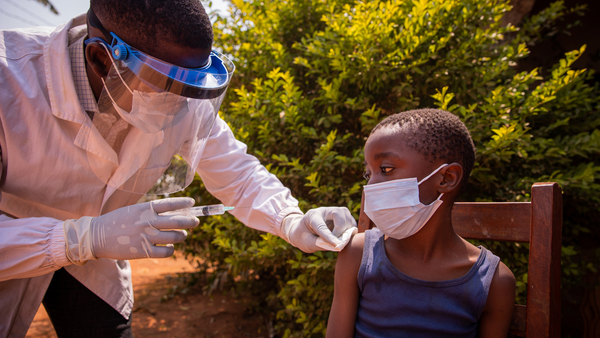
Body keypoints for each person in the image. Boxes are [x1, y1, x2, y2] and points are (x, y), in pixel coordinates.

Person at [0, 1, 357, 337]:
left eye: (190, 87)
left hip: (99, 255)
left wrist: (290, 220)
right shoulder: (8, 81)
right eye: (167, 88)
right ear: (102, 59)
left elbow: (239, 175)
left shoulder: (183, 90)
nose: (182, 103)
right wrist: (82, 237)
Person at [326, 108, 516, 337]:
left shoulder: (493, 281)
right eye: (369, 174)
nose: (371, 185)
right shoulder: (357, 254)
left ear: (446, 178)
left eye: (385, 169)